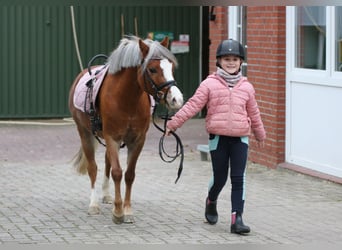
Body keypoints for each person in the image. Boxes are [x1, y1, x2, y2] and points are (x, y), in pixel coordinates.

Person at [165, 39, 266, 234]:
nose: (231, 62)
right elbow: (193, 105)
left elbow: (254, 113)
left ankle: (237, 219)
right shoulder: (209, 84)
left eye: (235, 59)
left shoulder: (247, 87)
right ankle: (211, 200)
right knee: (220, 177)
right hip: (218, 138)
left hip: (240, 139)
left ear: (240, 62)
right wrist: (173, 123)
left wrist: (260, 134)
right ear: (219, 61)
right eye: (226, 59)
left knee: (239, 178)